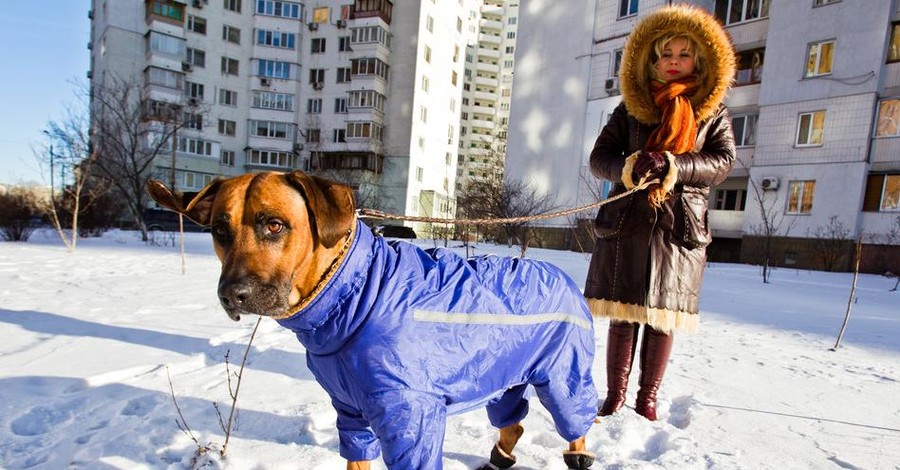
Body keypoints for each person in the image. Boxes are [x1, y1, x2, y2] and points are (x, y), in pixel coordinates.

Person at [584, 4, 737, 421]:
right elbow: (600, 158)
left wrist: (675, 165)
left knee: (663, 317)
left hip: (679, 228)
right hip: (628, 221)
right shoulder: (630, 109)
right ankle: (615, 395)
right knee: (623, 313)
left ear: (700, 60)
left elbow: (722, 161)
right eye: (666, 54)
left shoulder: (712, 112)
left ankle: (646, 398)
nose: (673, 62)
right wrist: (629, 167)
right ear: (652, 60)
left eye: (683, 54)